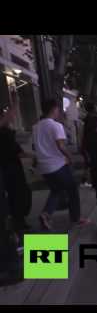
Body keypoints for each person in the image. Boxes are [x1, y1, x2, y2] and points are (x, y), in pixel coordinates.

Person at [33, 99, 90, 230]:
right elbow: (61, 145)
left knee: (56, 190)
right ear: (54, 109)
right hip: (58, 165)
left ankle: (45, 214)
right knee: (72, 190)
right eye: (58, 109)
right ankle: (76, 218)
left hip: (44, 167)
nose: (59, 111)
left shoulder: (36, 127)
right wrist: (70, 157)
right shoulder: (55, 126)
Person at [0, 105, 33, 250]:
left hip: (9, 170)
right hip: (9, 170)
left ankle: (17, 229)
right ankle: (17, 231)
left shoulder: (7, 133)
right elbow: (17, 152)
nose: (12, 117)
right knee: (17, 197)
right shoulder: (5, 134)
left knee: (17, 197)